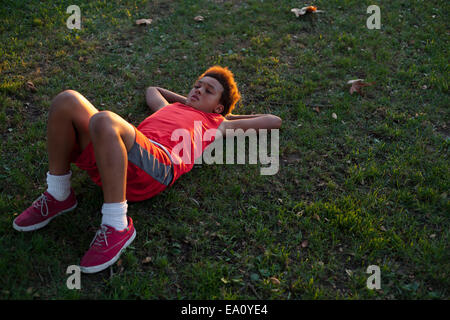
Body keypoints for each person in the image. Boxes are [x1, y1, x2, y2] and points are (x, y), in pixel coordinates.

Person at [12, 66, 282, 273]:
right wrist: (188, 101)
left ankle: (117, 225)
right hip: (119, 160)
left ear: (219, 107)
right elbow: (153, 90)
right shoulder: (171, 106)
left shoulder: (217, 124)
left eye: (208, 91)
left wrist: (222, 116)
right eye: (196, 85)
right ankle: (59, 194)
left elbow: (273, 120)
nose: (197, 90)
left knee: (104, 120)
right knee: (66, 100)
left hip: (158, 166)